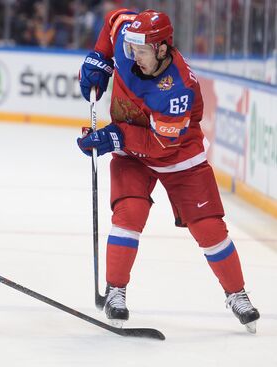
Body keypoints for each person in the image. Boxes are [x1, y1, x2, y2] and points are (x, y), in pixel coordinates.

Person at [76, 9, 260, 333]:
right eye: (130, 49)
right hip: (133, 155)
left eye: (142, 51)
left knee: (210, 229)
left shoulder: (178, 88)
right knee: (128, 213)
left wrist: (114, 135)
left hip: (179, 157)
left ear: (162, 48)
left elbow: (161, 145)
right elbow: (114, 19)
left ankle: (236, 294)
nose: (133, 57)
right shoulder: (128, 43)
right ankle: (116, 291)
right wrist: (99, 57)